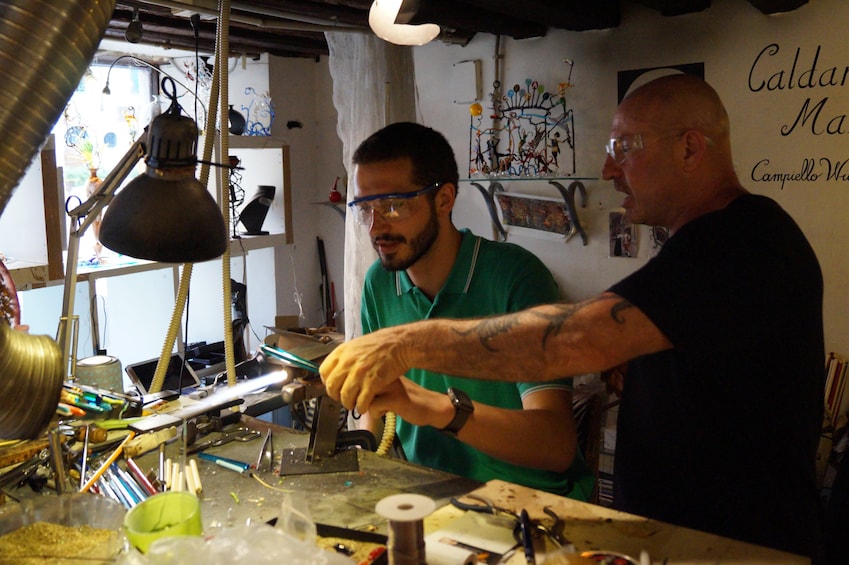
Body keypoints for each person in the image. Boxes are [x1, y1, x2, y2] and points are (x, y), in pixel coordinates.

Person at [321, 76, 824, 558]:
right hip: (676, 534)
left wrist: (408, 345)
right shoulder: (702, 247)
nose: (608, 170)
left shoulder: (742, 241)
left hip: (739, 545)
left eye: (625, 147)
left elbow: (578, 338)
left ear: (690, 149)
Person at [347, 121, 594, 499]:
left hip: (524, 502)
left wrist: (439, 409)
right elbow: (378, 411)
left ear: (444, 199)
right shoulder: (380, 282)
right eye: (366, 208)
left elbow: (554, 446)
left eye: (394, 206)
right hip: (425, 493)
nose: (375, 227)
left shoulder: (516, 277)